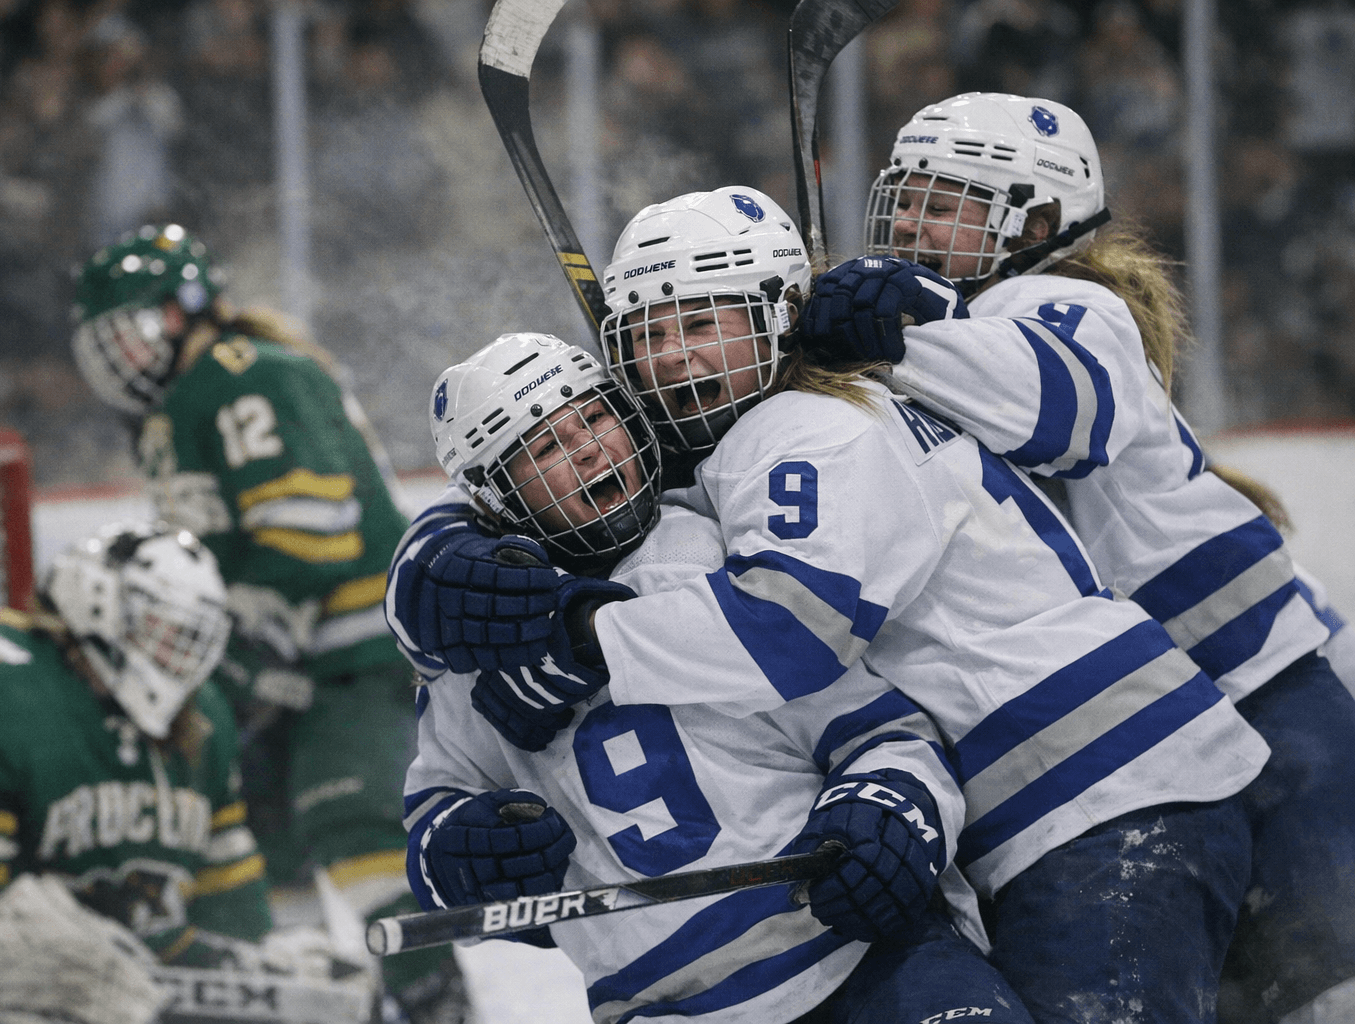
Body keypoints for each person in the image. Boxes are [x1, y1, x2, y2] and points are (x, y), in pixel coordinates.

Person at [389, 186, 1272, 1024]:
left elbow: (789, 629)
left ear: (779, 313)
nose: (672, 358)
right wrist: (434, 558)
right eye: (647, 334)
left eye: (701, 323)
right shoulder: (761, 437)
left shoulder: (797, 431)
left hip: (1089, 785)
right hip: (1075, 792)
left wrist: (577, 636)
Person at [797, 92, 1355, 1024]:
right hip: (1189, 741)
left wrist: (893, 328)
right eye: (900, 196)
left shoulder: (1060, 299)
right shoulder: (943, 342)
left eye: (943, 202)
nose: (904, 221)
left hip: (1276, 720)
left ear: (1041, 222)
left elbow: (1059, 418)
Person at [399, 331, 1036, 1024]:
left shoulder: (715, 551)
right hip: (663, 1009)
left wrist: (888, 814)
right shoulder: (470, 652)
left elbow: (884, 734)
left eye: (596, 417)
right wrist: (460, 853)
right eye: (548, 448)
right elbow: (438, 806)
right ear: (493, 502)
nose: (589, 448)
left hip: (863, 960)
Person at [67, 224, 449, 1019]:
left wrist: (249, 646)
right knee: (261, 845)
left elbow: (308, 530)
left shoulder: (247, 374)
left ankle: (435, 999)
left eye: (127, 331)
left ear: (185, 310)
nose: (116, 357)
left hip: (347, 648)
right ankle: (311, 998)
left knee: (352, 826)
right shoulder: (174, 406)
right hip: (278, 657)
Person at [0, 523, 271, 1021]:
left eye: (192, 640)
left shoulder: (202, 716)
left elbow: (224, 886)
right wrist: (70, 976)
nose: (181, 658)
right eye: (164, 630)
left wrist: (259, 972)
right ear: (99, 603)